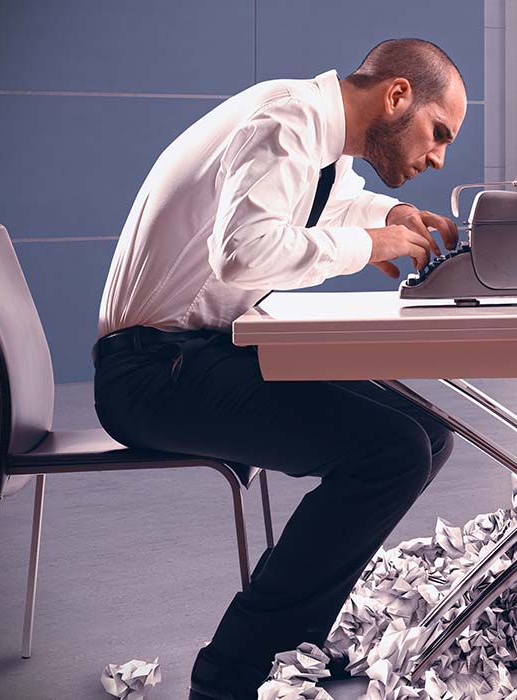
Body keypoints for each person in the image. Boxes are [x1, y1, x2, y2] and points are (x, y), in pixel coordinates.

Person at [92, 38, 465, 699]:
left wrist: (390, 216)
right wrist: (368, 243)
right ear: (398, 95)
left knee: (427, 432)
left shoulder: (318, 139)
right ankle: (233, 675)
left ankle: (290, 644)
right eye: (439, 133)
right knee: (393, 451)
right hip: (153, 373)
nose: (437, 157)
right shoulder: (286, 120)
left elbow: (322, 206)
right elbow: (244, 255)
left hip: (195, 353)